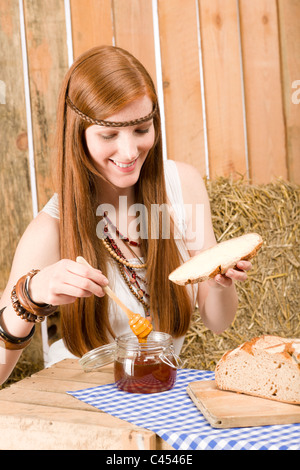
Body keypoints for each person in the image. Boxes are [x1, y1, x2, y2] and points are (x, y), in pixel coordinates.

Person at [0, 45, 251, 384]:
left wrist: (219, 283)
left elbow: (218, 322)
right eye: (109, 135)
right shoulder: (51, 230)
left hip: (157, 395)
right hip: (79, 406)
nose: (130, 151)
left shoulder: (182, 187)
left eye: (141, 129)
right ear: (78, 135)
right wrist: (30, 294)